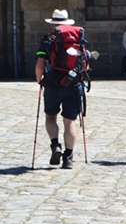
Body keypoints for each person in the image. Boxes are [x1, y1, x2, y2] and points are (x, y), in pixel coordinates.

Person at [35, 9, 87, 169]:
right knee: (69, 121)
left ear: (52, 25)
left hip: (52, 84)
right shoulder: (79, 39)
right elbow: (85, 65)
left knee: (51, 117)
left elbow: (40, 65)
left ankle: (55, 146)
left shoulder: (47, 41)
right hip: (73, 84)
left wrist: (39, 79)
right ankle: (68, 157)